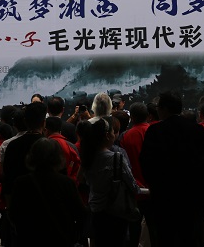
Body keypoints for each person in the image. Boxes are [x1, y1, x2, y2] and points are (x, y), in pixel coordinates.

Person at [140, 91, 204, 247]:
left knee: (166, 236)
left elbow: (146, 162)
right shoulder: (196, 130)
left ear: (164, 109)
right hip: (192, 195)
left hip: (163, 195)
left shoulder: (155, 131)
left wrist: (154, 185)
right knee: (190, 237)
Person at [8, 138, 87, 247]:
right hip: (60, 239)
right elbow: (80, 213)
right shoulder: (66, 182)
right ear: (58, 158)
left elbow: (14, 213)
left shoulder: (21, 182)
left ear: (32, 157)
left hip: (30, 239)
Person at [81, 116, 140, 247]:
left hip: (95, 210)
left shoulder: (87, 157)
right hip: (116, 213)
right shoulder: (117, 158)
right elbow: (133, 186)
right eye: (113, 132)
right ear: (107, 135)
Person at [119, 102, 153, 247]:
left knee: (134, 229)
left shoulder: (126, 136)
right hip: (154, 188)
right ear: (148, 116)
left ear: (131, 118)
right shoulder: (154, 132)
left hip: (135, 190)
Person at [2, 102, 46, 202]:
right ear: (44, 123)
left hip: (20, 201)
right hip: (45, 202)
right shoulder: (51, 146)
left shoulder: (12, 146)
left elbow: (8, 178)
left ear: (25, 122)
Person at [45, 116, 81, 182]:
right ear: (60, 131)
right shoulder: (71, 146)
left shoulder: (43, 146)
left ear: (46, 131)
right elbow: (77, 170)